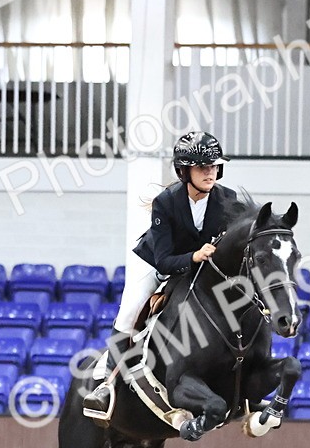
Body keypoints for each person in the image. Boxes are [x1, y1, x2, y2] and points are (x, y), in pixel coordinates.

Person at [83, 130, 238, 421]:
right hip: (156, 263)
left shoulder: (228, 200)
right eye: (203, 166)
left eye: (214, 165)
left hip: (201, 267)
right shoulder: (165, 202)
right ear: (184, 171)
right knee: (130, 312)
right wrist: (194, 256)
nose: (211, 172)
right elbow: (165, 261)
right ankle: (106, 385)